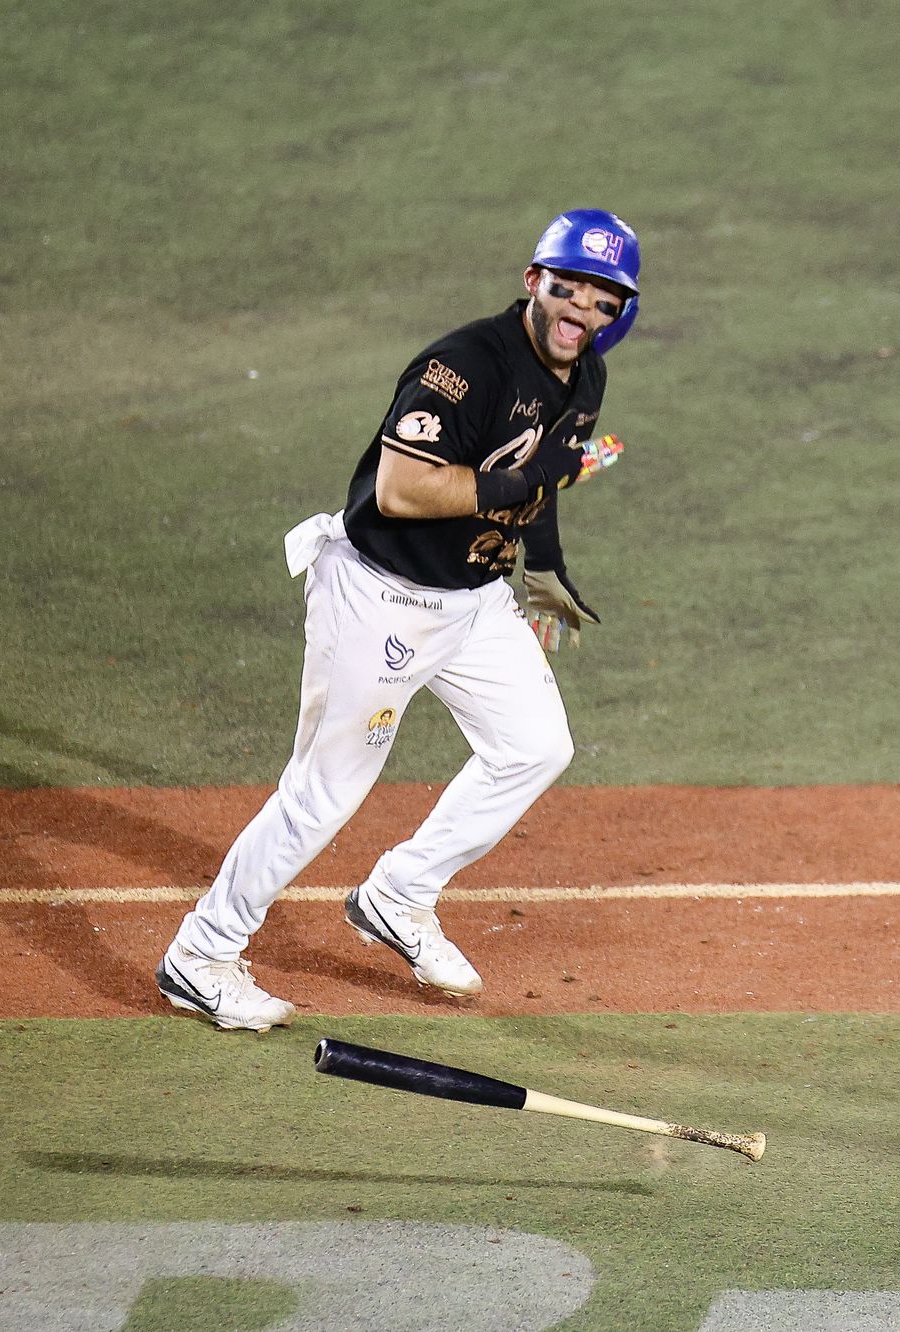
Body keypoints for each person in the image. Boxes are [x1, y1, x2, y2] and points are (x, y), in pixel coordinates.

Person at [157, 208, 643, 1030]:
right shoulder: (463, 366)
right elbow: (401, 490)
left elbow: (540, 479)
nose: (581, 311)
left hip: (474, 600)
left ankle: (398, 894)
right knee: (325, 791)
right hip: (379, 594)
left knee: (535, 745)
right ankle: (200, 956)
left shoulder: (584, 374)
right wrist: (524, 479)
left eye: (603, 299)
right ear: (535, 281)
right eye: (569, 288)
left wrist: (546, 567)